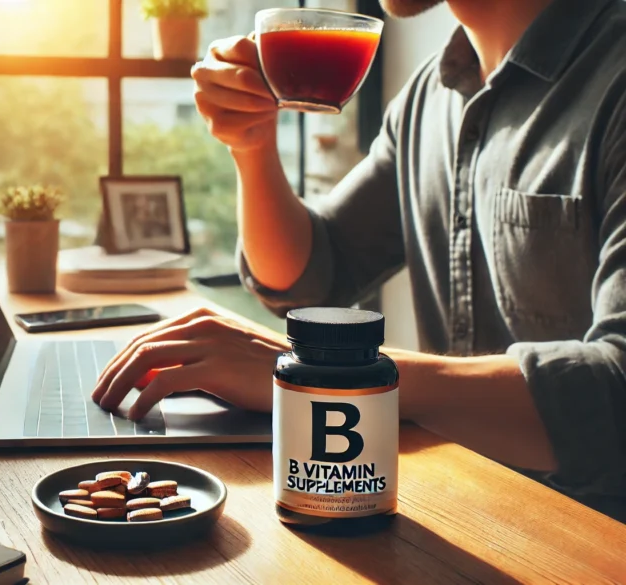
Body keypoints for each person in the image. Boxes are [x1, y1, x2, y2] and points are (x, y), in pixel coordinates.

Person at [91, 0, 626, 522]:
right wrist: (252, 148)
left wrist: (329, 374)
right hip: (470, 506)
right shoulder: (427, 97)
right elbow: (311, 277)